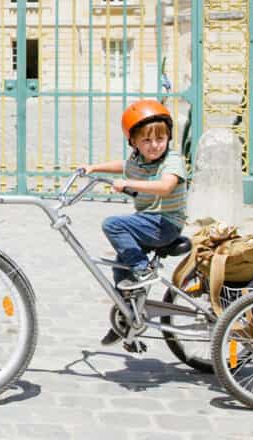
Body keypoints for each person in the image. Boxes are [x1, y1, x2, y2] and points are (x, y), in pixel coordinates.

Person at [82, 99, 188, 345]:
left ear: (168, 137)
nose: (154, 146)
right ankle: (126, 319)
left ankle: (143, 270)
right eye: (146, 141)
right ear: (134, 142)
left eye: (160, 139)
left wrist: (129, 184)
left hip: (165, 224)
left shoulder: (172, 160)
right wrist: (94, 167)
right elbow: (124, 166)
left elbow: (165, 186)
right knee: (121, 269)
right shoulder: (138, 161)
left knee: (113, 224)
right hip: (147, 222)